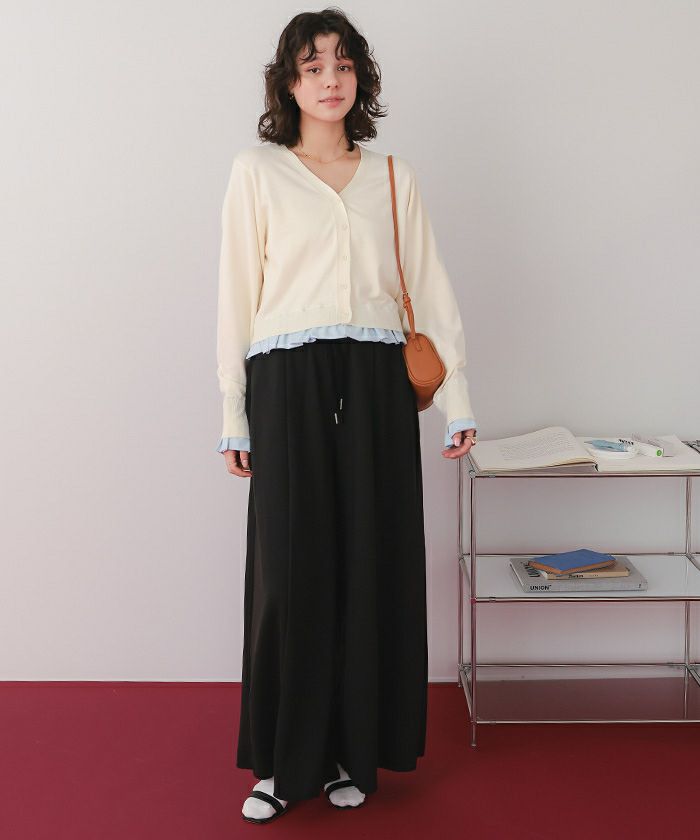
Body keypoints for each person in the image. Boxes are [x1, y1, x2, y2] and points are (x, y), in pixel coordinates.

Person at [215, 8, 478, 825]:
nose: (329, 80)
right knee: (290, 571)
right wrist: (233, 412)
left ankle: (349, 754)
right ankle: (279, 764)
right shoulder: (257, 172)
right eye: (312, 66)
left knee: (370, 563)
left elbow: (430, 289)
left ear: (359, 77)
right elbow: (235, 296)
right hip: (286, 378)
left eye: (342, 64)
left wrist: (458, 402)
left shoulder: (393, 177)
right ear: (288, 83)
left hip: (374, 379)